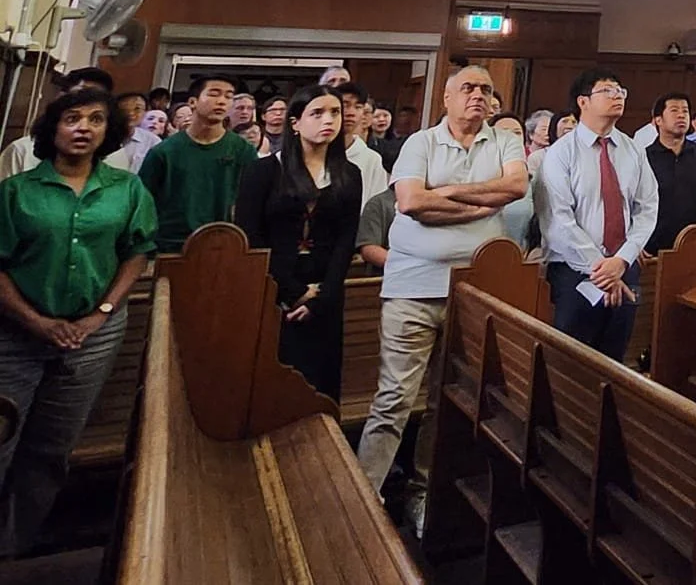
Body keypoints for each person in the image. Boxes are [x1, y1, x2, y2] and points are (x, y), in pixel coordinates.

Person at [358, 65, 526, 531]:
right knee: (394, 398)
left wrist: (446, 193)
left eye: (486, 91)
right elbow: (411, 203)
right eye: (468, 88)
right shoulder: (421, 142)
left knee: (446, 400)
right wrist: (480, 205)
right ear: (447, 98)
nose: (478, 96)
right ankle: (363, 498)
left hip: (474, 291)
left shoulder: (505, 141)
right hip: (413, 287)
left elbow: (515, 187)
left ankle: (422, 494)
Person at [0, 83, 154, 557]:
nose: (82, 128)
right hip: (16, 332)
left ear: (109, 131)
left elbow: (138, 251)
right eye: (72, 119)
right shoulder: (17, 190)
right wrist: (35, 321)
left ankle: (12, 548)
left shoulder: (125, 188)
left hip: (94, 336)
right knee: (1, 443)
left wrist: (100, 313)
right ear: (53, 128)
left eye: (94, 119)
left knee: (51, 448)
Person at [232, 83, 363, 399]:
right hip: (275, 288)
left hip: (325, 293)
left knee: (320, 385)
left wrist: (322, 295)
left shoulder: (349, 173)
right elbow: (251, 235)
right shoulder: (263, 170)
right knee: (272, 386)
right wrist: (293, 293)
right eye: (317, 113)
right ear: (295, 123)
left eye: (335, 113)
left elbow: (346, 239)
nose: (328, 121)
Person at [535, 71, 657, 355]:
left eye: (620, 91)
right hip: (575, 270)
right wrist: (601, 268)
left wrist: (622, 261)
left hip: (624, 267)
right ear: (583, 102)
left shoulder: (632, 150)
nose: (617, 96)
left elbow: (647, 207)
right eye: (607, 91)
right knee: (572, 362)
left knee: (615, 358)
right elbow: (557, 220)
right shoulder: (561, 152)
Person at [138, 74, 257, 252]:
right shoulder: (164, 152)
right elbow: (144, 206)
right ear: (193, 102)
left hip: (225, 248)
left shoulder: (243, 151)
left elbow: (253, 203)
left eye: (228, 96)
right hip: (171, 248)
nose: (222, 101)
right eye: (214, 94)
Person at [643, 93, 696, 257]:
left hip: (694, 245)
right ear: (658, 120)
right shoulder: (644, 157)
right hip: (651, 248)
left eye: (685, 111)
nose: (681, 115)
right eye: (674, 110)